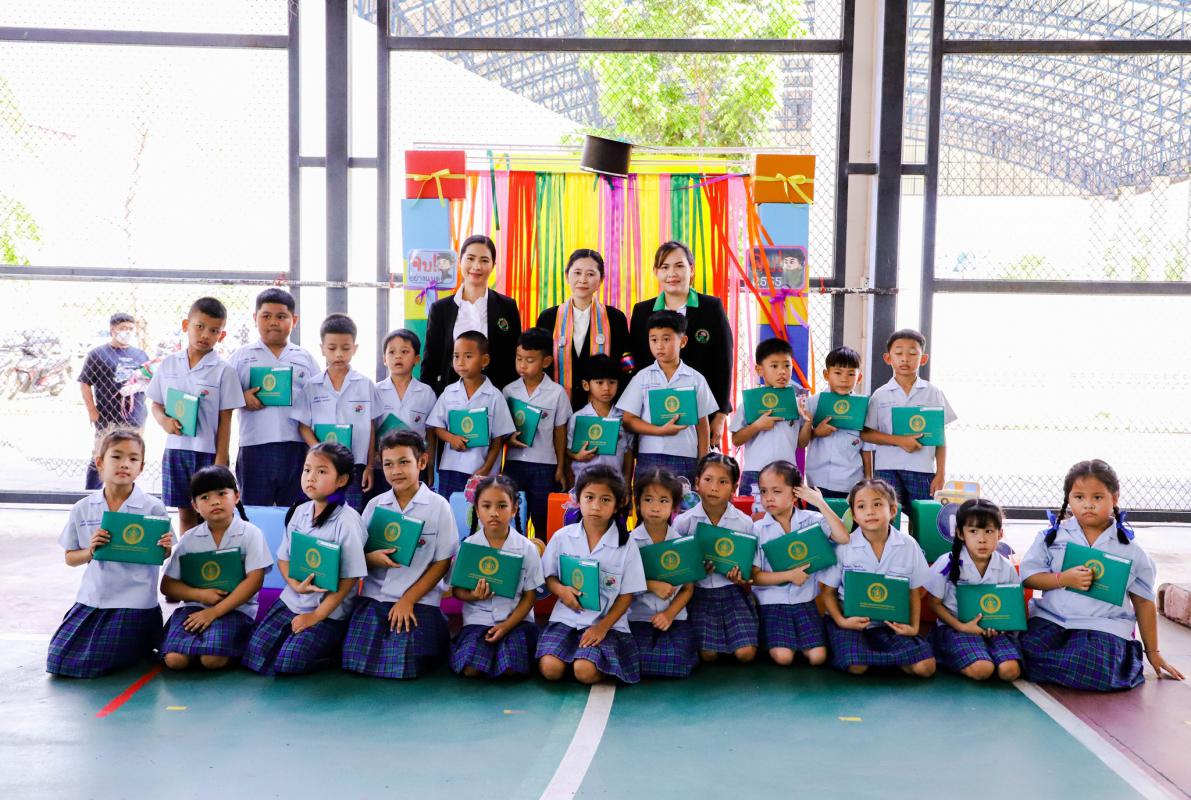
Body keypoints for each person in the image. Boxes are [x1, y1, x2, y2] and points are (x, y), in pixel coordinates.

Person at [1020, 459, 1183, 690]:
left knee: (1094, 666)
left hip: (1102, 628)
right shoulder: (1052, 537)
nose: (1088, 505)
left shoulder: (1130, 550)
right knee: (1017, 652)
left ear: (1114, 498)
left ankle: (1116, 661)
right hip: (1053, 621)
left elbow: (1144, 602)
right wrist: (1062, 579)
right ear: (1068, 499)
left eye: (1097, 497)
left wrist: (1153, 653)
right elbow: (1029, 577)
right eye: (1079, 497)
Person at [47, 430, 174, 678]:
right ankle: (139, 646)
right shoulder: (83, 508)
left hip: (134, 602)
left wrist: (165, 547)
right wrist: (91, 551)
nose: (125, 464)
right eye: (116, 456)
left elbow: (163, 554)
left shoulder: (153, 507)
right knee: (59, 660)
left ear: (141, 467)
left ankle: (142, 640)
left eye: (133, 459)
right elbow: (70, 557)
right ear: (100, 463)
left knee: (95, 662)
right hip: (93, 598)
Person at [242, 443, 367, 676]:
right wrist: (295, 585)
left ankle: (336, 650)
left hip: (328, 611)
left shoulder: (347, 521)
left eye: (321, 471)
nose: (311, 477)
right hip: (292, 601)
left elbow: (349, 578)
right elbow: (283, 559)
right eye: (307, 470)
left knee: (288, 663)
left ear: (341, 480)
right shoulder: (299, 512)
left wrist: (316, 616)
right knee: (254, 654)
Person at [343, 430, 457, 679]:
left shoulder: (439, 506)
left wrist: (408, 600)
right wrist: (371, 558)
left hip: (419, 600)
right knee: (355, 660)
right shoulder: (374, 505)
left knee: (405, 666)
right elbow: (356, 555)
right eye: (388, 464)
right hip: (375, 597)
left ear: (422, 462)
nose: (396, 471)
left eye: (404, 462)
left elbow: (442, 562)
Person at [538, 465, 645, 684]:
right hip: (566, 619)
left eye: (605, 500)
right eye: (589, 497)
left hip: (607, 624)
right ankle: (574, 657)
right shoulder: (562, 537)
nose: (596, 506)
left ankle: (586, 660)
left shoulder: (627, 545)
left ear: (618, 504)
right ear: (578, 499)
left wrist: (601, 628)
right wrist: (561, 591)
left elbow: (627, 595)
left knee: (584, 671)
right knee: (550, 669)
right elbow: (549, 577)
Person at [819, 478, 936, 678]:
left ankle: (877, 657)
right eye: (861, 506)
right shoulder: (844, 546)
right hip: (851, 623)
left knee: (926, 667)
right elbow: (827, 592)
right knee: (857, 665)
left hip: (890, 625)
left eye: (877, 504)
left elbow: (914, 591)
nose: (870, 512)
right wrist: (841, 621)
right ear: (854, 515)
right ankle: (881, 658)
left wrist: (913, 627)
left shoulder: (908, 545)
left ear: (893, 510)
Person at [159, 466, 273, 671]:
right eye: (205, 497)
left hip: (236, 610)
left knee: (211, 660)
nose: (215, 501)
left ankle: (234, 646)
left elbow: (255, 580)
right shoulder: (189, 539)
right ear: (195, 506)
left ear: (236, 496)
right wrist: (200, 595)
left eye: (222, 494)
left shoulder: (251, 534)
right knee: (175, 660)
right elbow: (167, 586)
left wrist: (214, 612)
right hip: (193, 610)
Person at [146, 297, 244, 533]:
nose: (205, 334)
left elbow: (226, 419)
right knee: (185, 511)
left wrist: (221, 461)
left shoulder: (224, 370)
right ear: (185, 325)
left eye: (214, 330)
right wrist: (164, 421)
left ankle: (211, 554)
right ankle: (188, 554)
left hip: (207, 453)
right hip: (176, 450)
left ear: (222, 335)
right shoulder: (168, 364)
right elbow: (156, 404)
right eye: (199, 326)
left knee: (211, 514)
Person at [629, 241, 733, 442]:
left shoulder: (711, 307)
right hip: (652, 415)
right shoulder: (642, 311)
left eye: (679, 266)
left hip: (702, 415)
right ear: (656, 272)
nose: (672, 273)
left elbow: (724, 363)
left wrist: (720, 415)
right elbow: (638, 362)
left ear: (691, 270)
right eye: (664, 267)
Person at [751, 461, 849, 667]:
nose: (768, 498)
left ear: (795, 494)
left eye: (776, 491)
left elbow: (843, 537)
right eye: (763, 491)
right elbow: (755, 576)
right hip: (772, 604)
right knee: (784, 657)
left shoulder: (813, 520)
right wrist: (789, 576)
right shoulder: (758, 529)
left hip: (805, 602)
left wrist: (820, 503)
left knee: (818, 657)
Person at [228, 288, 320, 507]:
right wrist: (242, 398)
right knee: (254, 511)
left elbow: (319, 399)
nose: (273, 322)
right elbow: (223, 398)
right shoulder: (241, 357)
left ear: (294, 320)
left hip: (296, 448)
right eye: (266, 316)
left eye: (281, 316)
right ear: (255, 318)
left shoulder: (304, 358)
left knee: (297, 511)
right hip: (254, 447)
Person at [450, 475, 543, 679]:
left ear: (514, 509)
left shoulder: (527, 548)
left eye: (502, 506)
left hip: (516, 622)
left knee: (510, 668)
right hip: (478, 621)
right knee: (471, 669)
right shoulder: (468, 547)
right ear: (477, 510)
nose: (494, 513)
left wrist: (506, 626)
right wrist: (473, 595)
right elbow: (456, 590)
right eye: (486, 506)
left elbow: (530, 596)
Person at [925, 498, 1023, 682]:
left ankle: (983, 653)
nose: (982, 539)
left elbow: (1011, 608)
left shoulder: (1006, 567)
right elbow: (934, 603)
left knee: (1009, 671)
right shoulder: (947, 562)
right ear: (960, 533)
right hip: (956, 629)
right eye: (973, 531)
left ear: (1000, 533)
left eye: (989, 531)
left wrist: (1000, 628)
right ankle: (946, 653)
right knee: (982, 670)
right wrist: (962, 626)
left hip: (994, 631)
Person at [861, 328, 957, 514]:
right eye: (898, 353)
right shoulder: (880, 395)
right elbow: (867, 433)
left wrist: (941, 473)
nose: (905, 359)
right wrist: (899, 440)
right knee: (888, 516)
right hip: (887, 468)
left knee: (921, 517)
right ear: (888, 358)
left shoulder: (933, 393)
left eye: (912, 353)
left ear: (923, 359)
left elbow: (940, 437)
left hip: (922, 467)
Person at [674, 453, 758, 664]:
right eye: (708, 479)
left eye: (723, 482)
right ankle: (720, 641)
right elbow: (678, 570)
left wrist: (741, 579)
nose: (714, 487)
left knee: (746, 654)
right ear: (697, 483)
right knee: (708, 655)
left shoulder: (745, 523)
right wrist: (695, 570)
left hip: (733, 592)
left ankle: (733, 638)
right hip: (698, 593)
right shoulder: (683, 523)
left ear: (734, 488)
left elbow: (750, 574)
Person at [291, 313, 380, 512]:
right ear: (322, 348)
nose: (339, 354)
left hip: (355, 465)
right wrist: (319, 450)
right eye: (332, 348)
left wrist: (369, 466)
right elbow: (303, 425)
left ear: (355, 349)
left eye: (345, 348)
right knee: (322, 511)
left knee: (351, 511)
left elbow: (371, 426)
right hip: (321, 465)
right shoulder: (312, 386)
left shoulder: (365, 384)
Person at [617, 310, 717, 486]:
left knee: (684, 502)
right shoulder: (642, 377)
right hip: (649, 454)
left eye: (666, 339)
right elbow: (628, 420)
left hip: (686, 456)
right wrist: (659, 431)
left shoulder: (695, 379)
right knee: (649, 502)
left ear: (683, 341)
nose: (659, 346)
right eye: (654, 340)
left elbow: (703, 425)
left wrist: (703, 461)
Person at [421, 234, 522, 394]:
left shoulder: (507, 306)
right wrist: (427, 398)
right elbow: (431, 361)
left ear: (493, 265)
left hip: (497, 395)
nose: (477, 266)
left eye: (484, 260)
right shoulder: (440, 309)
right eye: (470, 258)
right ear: (460, 261)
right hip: (451, 396)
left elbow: (514, 357)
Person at [534, 248, 631, 411]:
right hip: (556, 409)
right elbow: (539, 365)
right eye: (577, 273)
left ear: (601, 280)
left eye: (591, 274)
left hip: (603, 410)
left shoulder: (615, 319)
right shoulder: (548, 318)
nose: (583, 280)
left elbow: (626, 367)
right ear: (567, 276)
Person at [425, 331, 516, 502]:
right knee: (451, 510)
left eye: (468, 356)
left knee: (479, 512)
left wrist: (486, 468)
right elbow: (436, 426)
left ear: (484, 360)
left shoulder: (495, 396)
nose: (460, 362)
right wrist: (451, 438)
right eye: (456, 356)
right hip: (451, 468)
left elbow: (498, 439)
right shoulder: (449, 392)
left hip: (481, 471)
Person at [627, 468, 698, 678]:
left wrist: (669, 614)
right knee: (633, 658)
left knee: (678, 661)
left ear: (674, 506)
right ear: (638, 503)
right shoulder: (629, 543)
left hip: (674, 617)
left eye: (663, 501)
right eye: (648, 500)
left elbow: (688, 589)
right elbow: (620, 585)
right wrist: (651, 585)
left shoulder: (682, 543)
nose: (655, 507)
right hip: (638, 617)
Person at [502, 327, 572, 537]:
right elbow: (501, 430)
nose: (522, 365)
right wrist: (508, 439)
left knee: (542, 518)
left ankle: (543, 555)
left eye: (530, 360)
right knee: (513, 517)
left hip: (545, 465)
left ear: (546, 362)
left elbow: (560, 432)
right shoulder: (508, 391)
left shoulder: (557, 393)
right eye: (519, 358)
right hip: (514, 463)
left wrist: (561, 467)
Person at [79, 312, 149, 490]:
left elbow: (150, 381)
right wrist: (92, 410)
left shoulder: (141, 355)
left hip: (135, 417)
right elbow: (85, 383)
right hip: (107, 418)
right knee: (101, 457)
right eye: (123, 328)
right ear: (112, 329)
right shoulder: (97, 354)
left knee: (130, 458)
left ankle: (123, 494)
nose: (127, 332)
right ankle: (92, 494)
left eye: (131, 329)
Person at [730, 337, 804, 502]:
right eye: (774, 366)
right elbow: (736, 439)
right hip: (755, 471)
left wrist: (809, 422)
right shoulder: (750, 402)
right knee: (753, 516)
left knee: (785, 516)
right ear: (759, 370)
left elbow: (802, 443)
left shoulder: (797, 403)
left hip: (787, 472)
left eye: (787, 365)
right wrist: (757, 426)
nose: (782, 371)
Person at [369, 328, 437, 499]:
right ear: (384, 359)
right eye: (392, 352)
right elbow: (370, 429)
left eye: (404, 352)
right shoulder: (375, 391)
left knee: (414, 507)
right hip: (383, 466)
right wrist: (371, 462)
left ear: (416, 359)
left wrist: (430, 466)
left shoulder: (426, 392)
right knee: (384, 507)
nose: (398, 356)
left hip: (414, 466)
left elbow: (431, 433)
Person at [797, 346, 871, 499]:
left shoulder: (862, 406)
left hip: (851, 482)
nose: (844, 379)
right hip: (817, 480)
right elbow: (801, 442)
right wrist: (816, 432)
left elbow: (867, 446)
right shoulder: (813, 403)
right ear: (826, 374)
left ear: (859, 378)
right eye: (838, 373)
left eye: (851, 374)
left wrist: (869, 478)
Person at [566, 354, 635, 486]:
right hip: (584, 483)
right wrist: (577, 456)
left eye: (612, 382)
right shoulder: (578, 418)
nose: (606, 388)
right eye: (599, 382)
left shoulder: (623, 418)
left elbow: (628, 453)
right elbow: (568, 450)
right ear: (586, 385)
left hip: (615, 484)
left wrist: (626, 486)